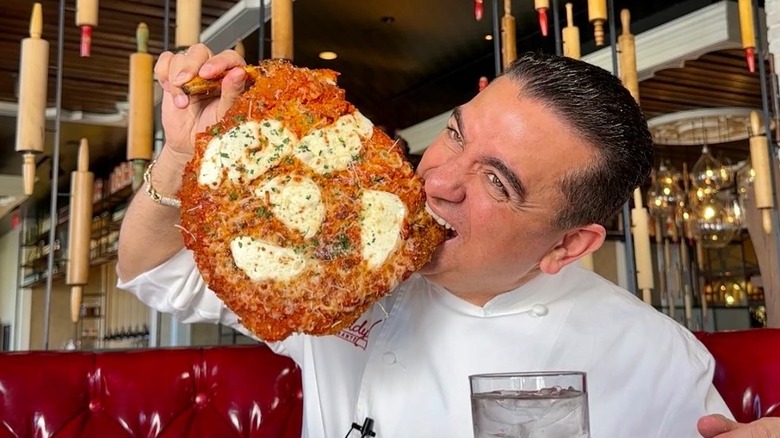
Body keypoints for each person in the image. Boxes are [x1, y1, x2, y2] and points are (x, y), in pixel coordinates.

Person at [116, 44, 770, 437]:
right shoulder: (338, 274)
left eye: (497, 181)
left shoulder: (655, 359)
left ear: (568, 247)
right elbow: (153, 271)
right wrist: (180, 153)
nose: (441, 180)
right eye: (456, 134)